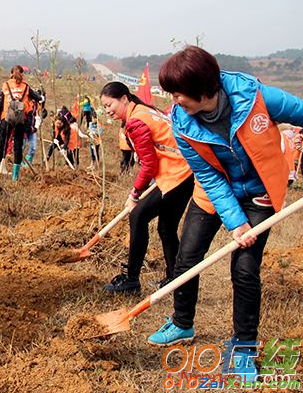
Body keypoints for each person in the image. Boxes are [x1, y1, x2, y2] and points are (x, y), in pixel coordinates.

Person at [146, 46, 303, 382]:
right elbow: (209, 176)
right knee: (187, 256)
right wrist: (236, 223)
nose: (174, 101)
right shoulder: (182, 123)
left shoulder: (256, 97)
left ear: (204, 89)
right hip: (214, 193)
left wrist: (247, 221)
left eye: (178, 94)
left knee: (245, 270)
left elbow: (300, 111)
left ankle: (244, 348)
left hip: (260, 193)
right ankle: (182, 322)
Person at [100, 81, 194, 294]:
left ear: (124, 98)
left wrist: (134, 194)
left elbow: (149, 164)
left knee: (138, 216)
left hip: (176, 175)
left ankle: (131, 280)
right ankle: (174, 279)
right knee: (166, 227)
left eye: (110, 105)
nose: (108, 111)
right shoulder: (144, 110)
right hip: (185, 172)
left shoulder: (136, 122)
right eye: (104, 107)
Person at [0, 65, 43, 181]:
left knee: (2, 145)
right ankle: (15, 177)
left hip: (6, 118)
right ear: (22, 74)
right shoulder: (26, 87)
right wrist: (42, 97)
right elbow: (38, 98)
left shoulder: (5, 85)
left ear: (11, 73)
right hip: (21, 120)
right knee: (18, 147)